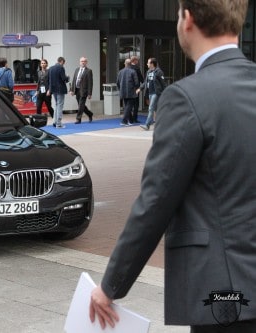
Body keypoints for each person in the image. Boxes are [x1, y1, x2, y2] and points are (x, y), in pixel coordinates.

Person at [90, 1, 256, 332]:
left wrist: (111, 286)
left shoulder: (186, 97)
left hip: (224, 294)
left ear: (187, 20)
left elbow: (156, 200)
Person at [138, 58, 167, 131]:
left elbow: (163, 83)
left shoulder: (158, 72)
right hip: (150, 93)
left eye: (148, 63)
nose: (147, 64)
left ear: (152, 64)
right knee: (156, 109)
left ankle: (147, 125)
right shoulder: (148, 72)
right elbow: (145, 82)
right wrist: (140, 88)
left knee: (151, 108)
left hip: (156, 93)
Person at [70, 56, 93, 124]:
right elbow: (74, 80)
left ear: (86, 63)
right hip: (77, 89)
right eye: (82, 61)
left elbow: (90, 83)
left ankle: (78, 119)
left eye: (84, 61)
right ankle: (89, 114)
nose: (83, 62)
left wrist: (89, 93)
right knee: (81, 105)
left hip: (84, 90)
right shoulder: (77, 69)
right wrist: (72, 90)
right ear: (79, 62)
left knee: (81, 104)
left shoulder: (89, 71)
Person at [116, 58, 139, 126]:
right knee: (129, 106)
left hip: (123, 91)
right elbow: (137, 82)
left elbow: (117, 82)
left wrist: (120, 89)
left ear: (125, 64)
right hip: (131, 92)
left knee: (127, 106)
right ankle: (124, 121)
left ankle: (130, 120)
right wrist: (136, 88)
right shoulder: (133, 71)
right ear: (130, 64)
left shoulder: (120, 72)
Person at [48, 56, 69, 128]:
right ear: (62, 61)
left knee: (56, 105)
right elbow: (64, 79)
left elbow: (50, 80)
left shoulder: (50, 68)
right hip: (60, 89)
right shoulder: (61, 68)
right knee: (60, 105)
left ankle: (54, 122)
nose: (63, 64)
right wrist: (67, 77)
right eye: (63, 63)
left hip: (53, 90)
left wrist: (50, 89)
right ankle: (59, 123)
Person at [129, 55, 144, 123]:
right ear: (134, 61)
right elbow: (140, 78)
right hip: (136, 88)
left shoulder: (128, 68)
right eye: (137, 60)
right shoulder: (136, 68)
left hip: (129, 88)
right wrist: (144, 83)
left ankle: (130, 118)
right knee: (136, 104)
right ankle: (135, 118)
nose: (138, 61)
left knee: (129, 104)